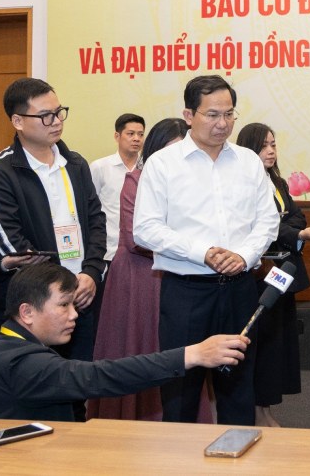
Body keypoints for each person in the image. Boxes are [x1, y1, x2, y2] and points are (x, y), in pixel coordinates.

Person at [133, 75, 279, 425]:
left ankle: (238, 452)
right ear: (188, 115)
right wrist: (203, 252)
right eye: (212, 115)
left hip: (240, 291)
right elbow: (146, 228)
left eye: (229, 114)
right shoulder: (162, 164)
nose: (223, 123)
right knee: (180, 392)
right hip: (186, 294)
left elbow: (268, 220)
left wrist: (244, 255)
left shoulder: (248, 161)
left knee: (239, 390)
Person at [0, 77, 107, 422]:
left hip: (82, 293)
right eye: (46, 115)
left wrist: (91, 273)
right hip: (35, 301)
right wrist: (64, 286)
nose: (57, 121)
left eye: (60, 112)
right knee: (34, 394)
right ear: (18, 121)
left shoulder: (75, 164)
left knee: (79, 387)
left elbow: (97, 221)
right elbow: (11, 243)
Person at [0, 264, 247, 421]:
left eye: (73, 305)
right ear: (27, 312)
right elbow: (101, 376)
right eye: (64, 305)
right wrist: (192, 354)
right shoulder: (20, 362)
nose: (74, 315)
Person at [89, 118, 211, 422]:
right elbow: (135, 240)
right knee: (142, 349)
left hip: (180, 272)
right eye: (171, 148)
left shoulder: (195, 184)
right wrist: (191, 246)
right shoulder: (136, 181)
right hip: (140, 276)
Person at [236, 122, 310, 427]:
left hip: (282, 272)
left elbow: (296, 216)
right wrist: (288, 230)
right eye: (263, 146)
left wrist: (288, 228)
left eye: (273, 144)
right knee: (261, 343)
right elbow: (266, 225)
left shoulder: (277, 182)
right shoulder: (242, 184)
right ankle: (256, 411)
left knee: (278, 345)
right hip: (258, 274)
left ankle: (265, 408)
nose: (270, 151)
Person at [89, 113, 145, 266]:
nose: (136, 139)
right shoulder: (100, 167)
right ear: (117, 136)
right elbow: (91, 208)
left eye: (140, 134)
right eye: (130, 134)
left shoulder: (149, 167)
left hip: (144, 249)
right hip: (109, 249)